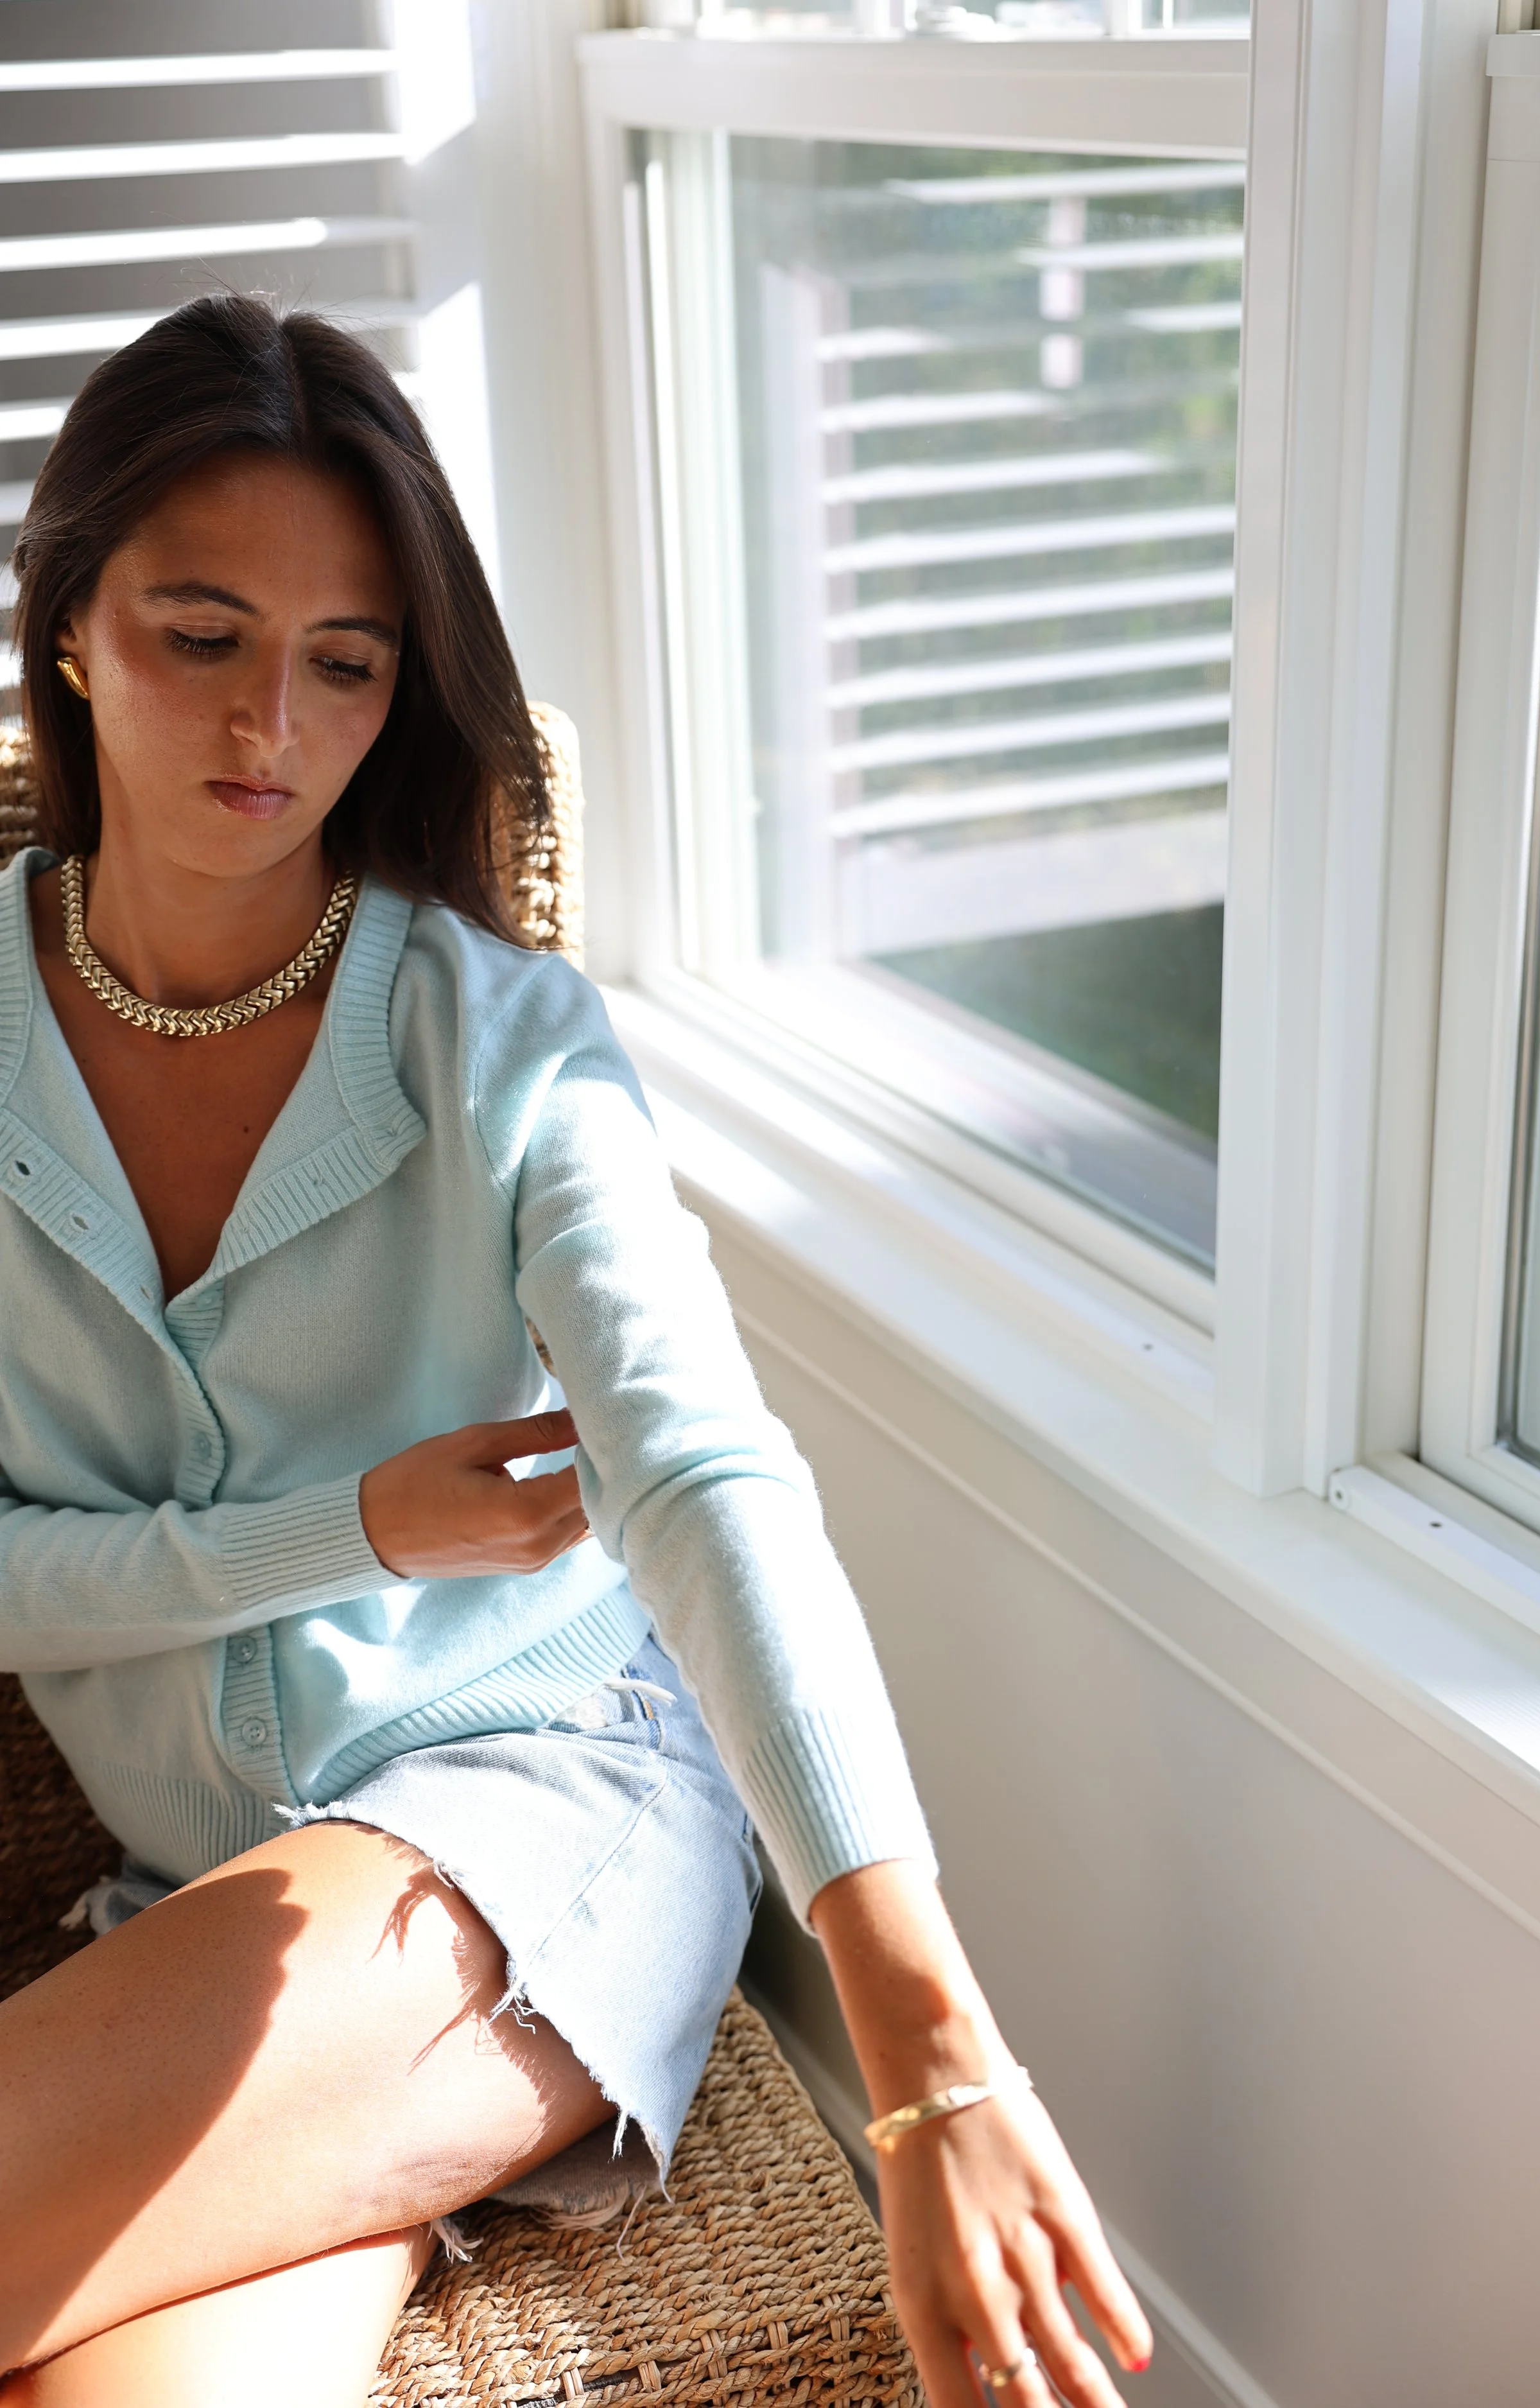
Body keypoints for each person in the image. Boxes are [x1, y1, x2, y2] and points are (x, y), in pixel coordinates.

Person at [0, 296, 1152, 2408]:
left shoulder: (508, 1044)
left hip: (536, 1811)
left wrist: (928, 2044)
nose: (273, 722)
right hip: (206, 1892)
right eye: (200, 631)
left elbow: (704, 1474)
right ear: (64, 619)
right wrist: (336, 1526)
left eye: (343, 664)